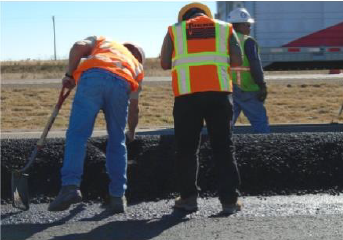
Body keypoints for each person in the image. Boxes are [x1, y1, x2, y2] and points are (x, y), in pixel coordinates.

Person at [160, 2, 243, 214]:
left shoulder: (175, 31)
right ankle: (230, 201)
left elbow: (164, 63)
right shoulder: (225, 28)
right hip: (219, 95)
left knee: (187, 149)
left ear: (184, 17)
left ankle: (188, 199)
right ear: (205, 14)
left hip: (187, 97)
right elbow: (237, 60)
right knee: (224, 147)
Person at [48, 36, 145, 213]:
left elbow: (78, 46)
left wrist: (70, 75)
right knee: (117, 140)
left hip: (93, 78)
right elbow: (134, 110)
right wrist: (131, 132)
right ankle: (117, 197)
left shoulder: (103, 42)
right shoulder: (136, 68)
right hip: (121, 84)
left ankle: (70, 186)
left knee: (77, 135)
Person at [227, 8, 270, 133]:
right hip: (247, 89)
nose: (250, 28)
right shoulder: (247, 41)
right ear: (240, 25)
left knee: (225, 124)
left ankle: (220, 150)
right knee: (259, 121)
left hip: (228, 89)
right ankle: (265, 148)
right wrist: (262, 85)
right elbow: (255, 65)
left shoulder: (223, 41)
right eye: (248, 25)